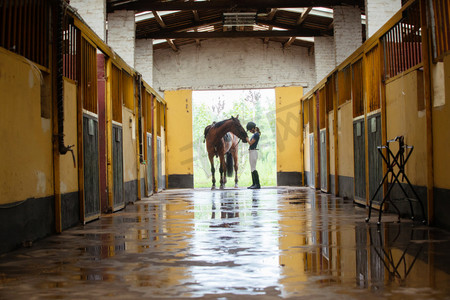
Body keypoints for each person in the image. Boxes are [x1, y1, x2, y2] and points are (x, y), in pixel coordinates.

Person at [246, 122, 261, 189]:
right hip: (251, 152)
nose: (249, 131)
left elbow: (250, 143)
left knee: (253, 168)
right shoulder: (254, 134)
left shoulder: (256, 135)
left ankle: (257, 184)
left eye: (250, 130)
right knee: (252, 168)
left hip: (253, 152)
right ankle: (254, 183)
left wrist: (246, 138)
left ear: (252, 128)